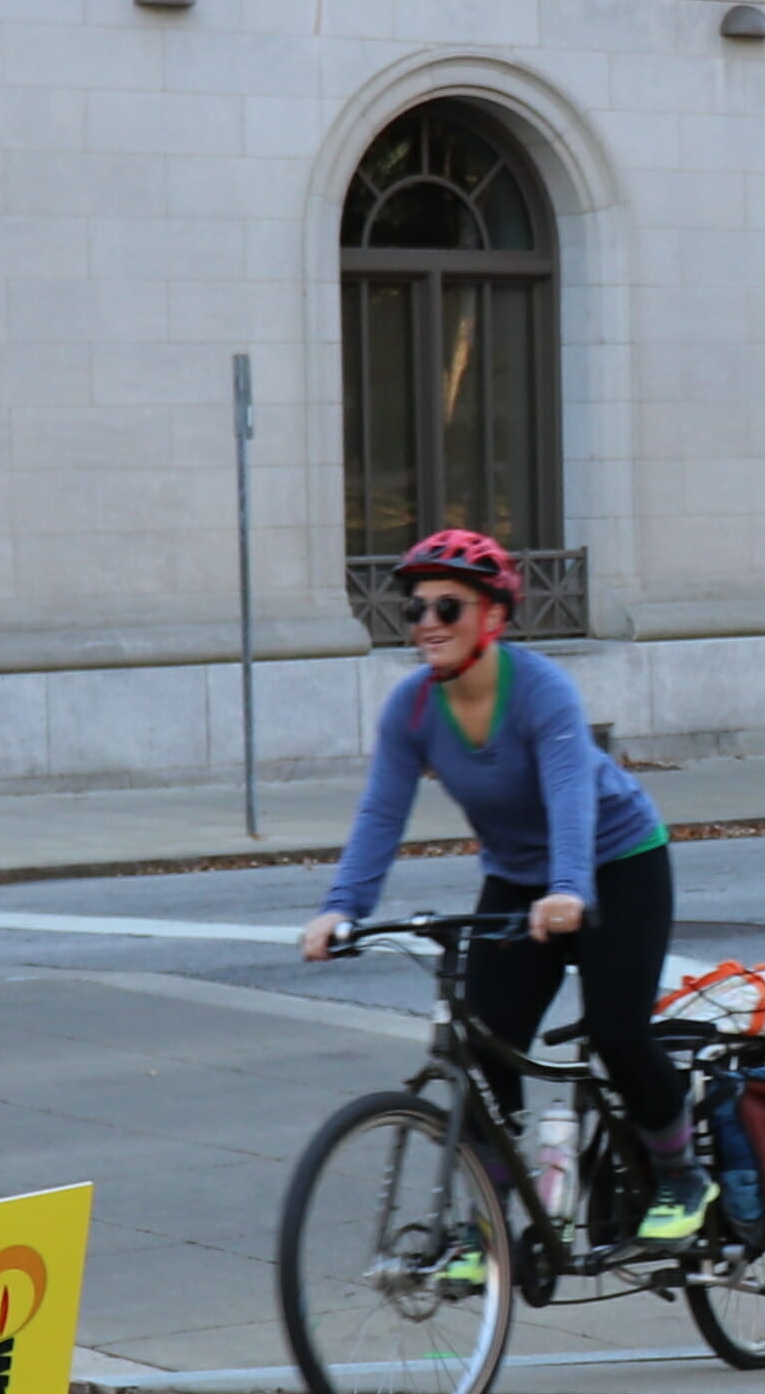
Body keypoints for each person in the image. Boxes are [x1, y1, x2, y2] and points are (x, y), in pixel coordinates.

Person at [298, 528, 706, 1244]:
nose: (427, 623)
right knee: (485, 1046)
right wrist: (342, 909)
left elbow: (570, 793)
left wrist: (570, 888)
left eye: (446, 608)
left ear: (492, 616)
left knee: (617, 1031)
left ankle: (680, 1175)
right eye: (415, 608)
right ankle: (484, 1229)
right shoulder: (412, 708)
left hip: (616, 861)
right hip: (518, 878)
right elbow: (382, 812)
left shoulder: (542, 691)